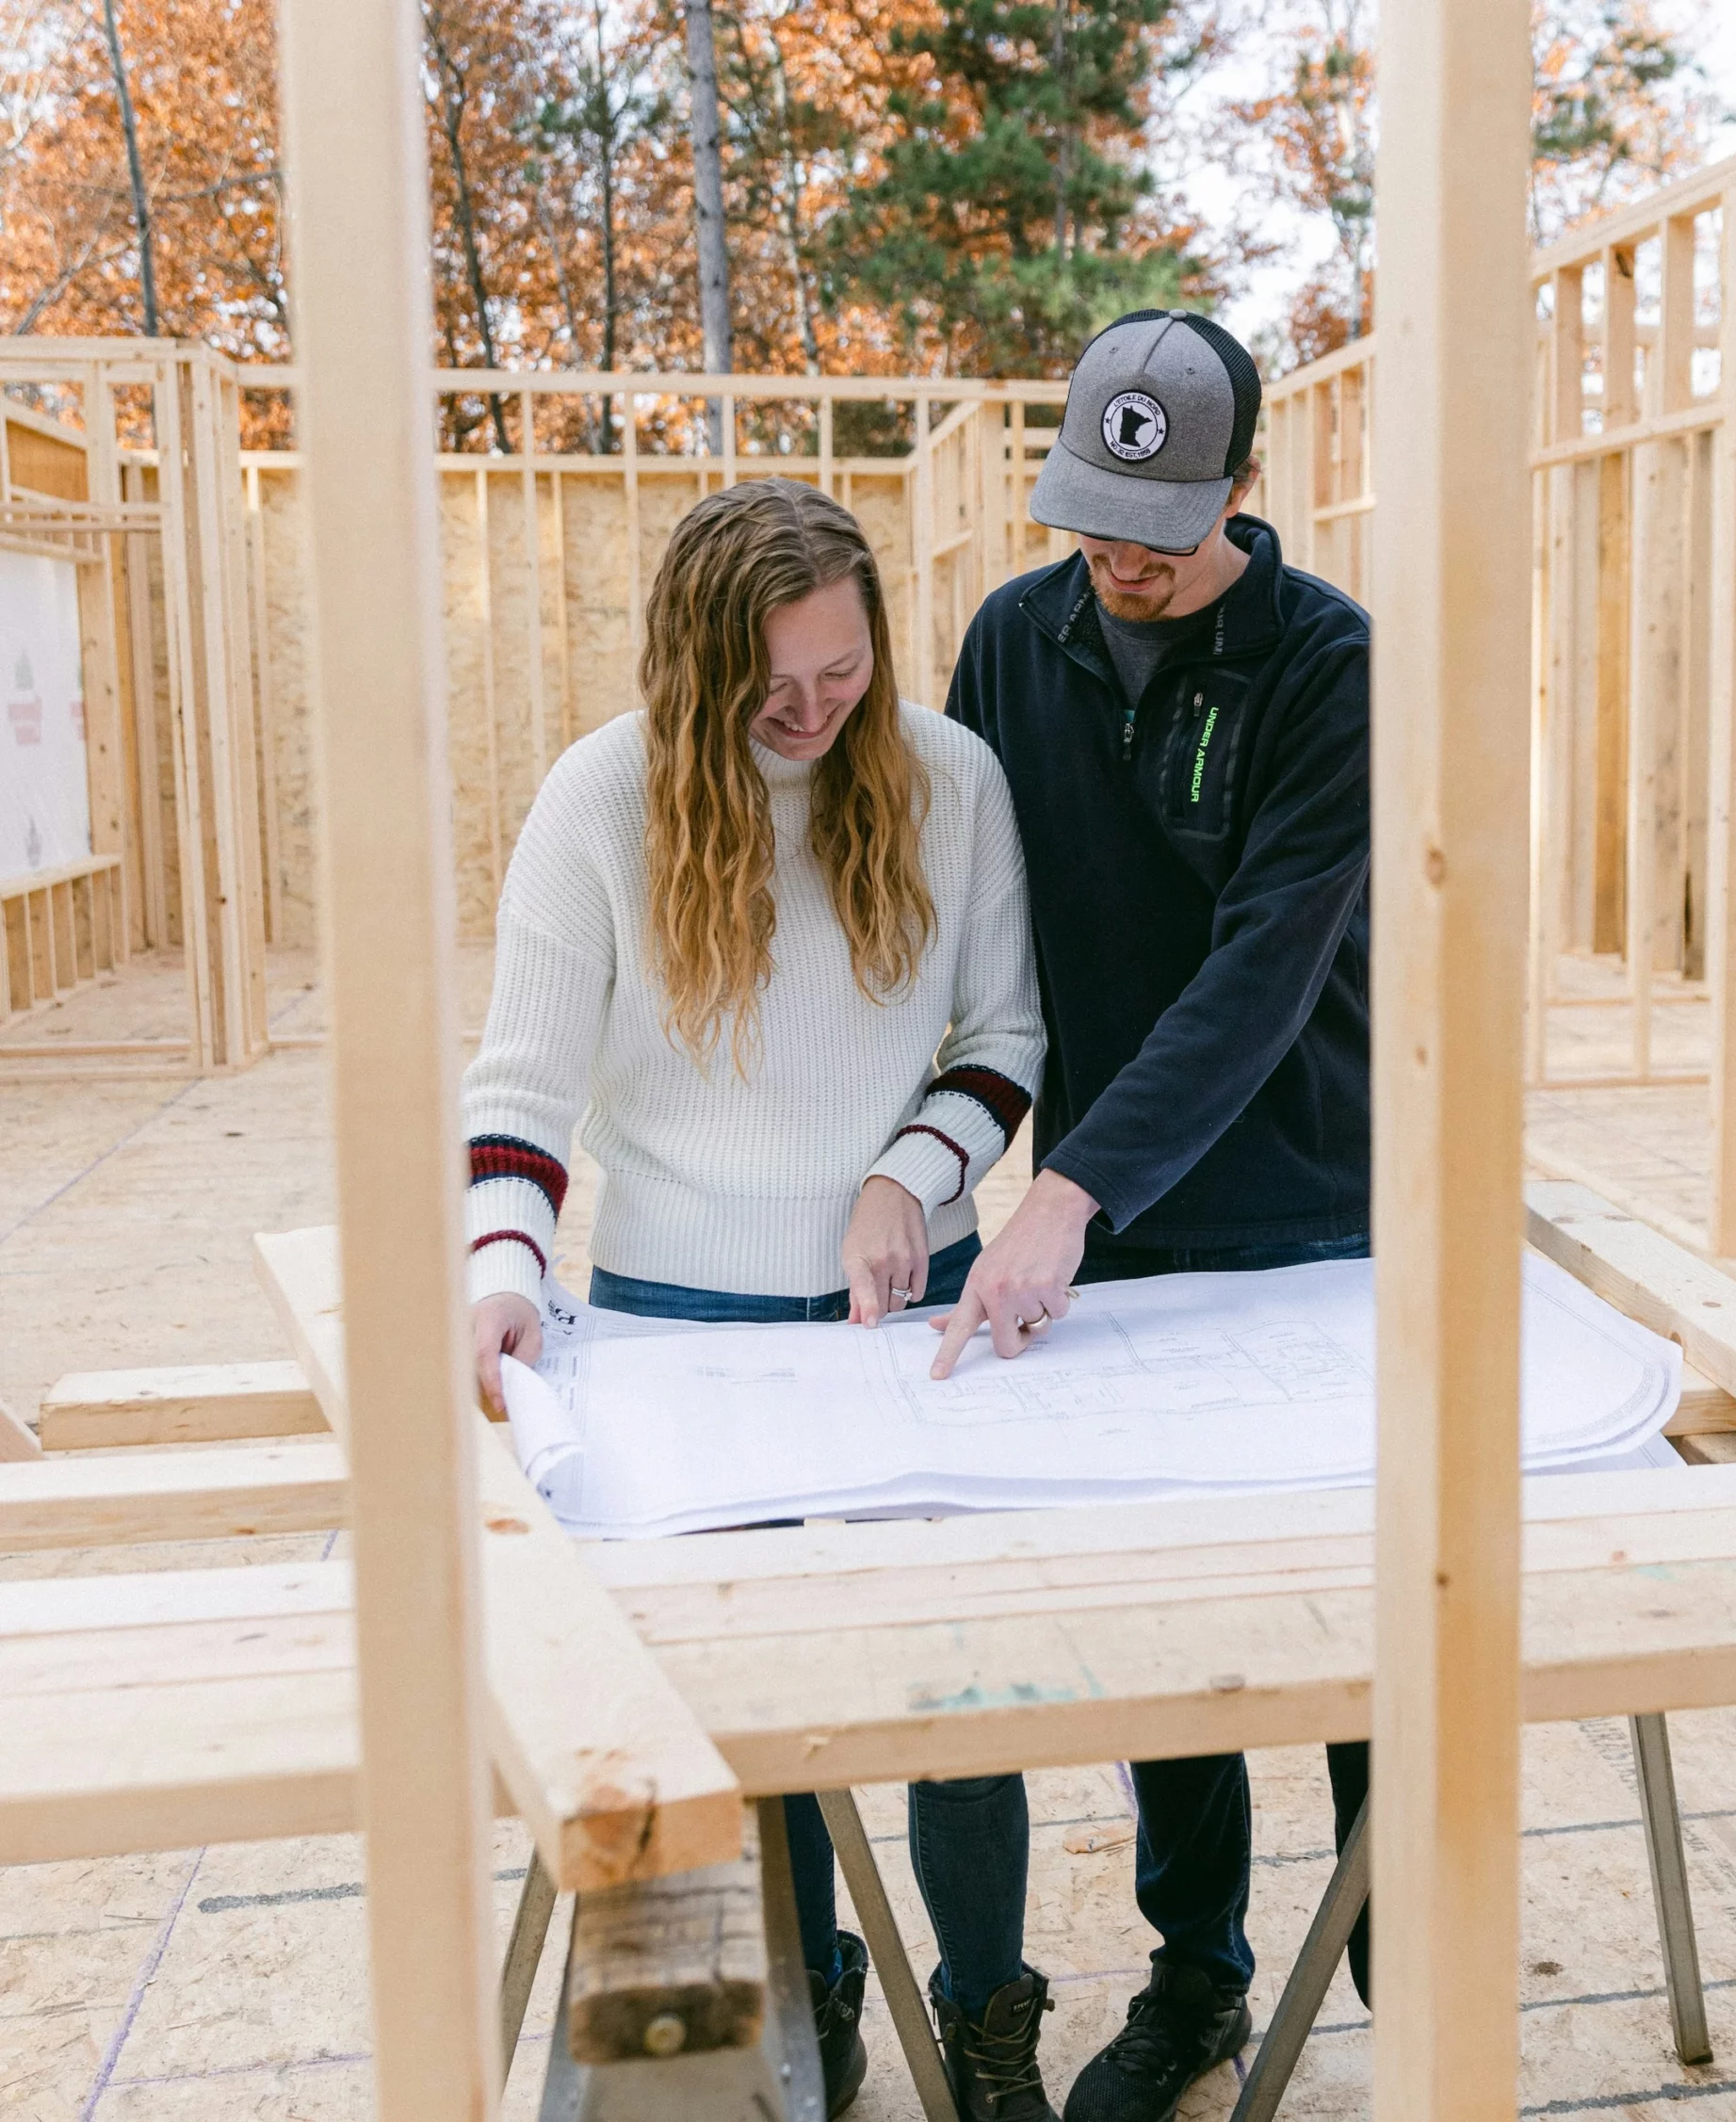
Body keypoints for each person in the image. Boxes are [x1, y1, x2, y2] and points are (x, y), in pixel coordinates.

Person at [457, 478, 1055, 2121]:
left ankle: (988, 2006)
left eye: (842, 674)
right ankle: (820, 1993)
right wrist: (505, 1272)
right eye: (769, 690)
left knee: (960, 1681)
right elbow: (518, 1085)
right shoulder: (603, 799)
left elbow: (1004, 1042)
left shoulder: (950, 780)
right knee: (755, 1705)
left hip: (898, 1313)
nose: (809, 717)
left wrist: (905, 1181)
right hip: (669, 1320)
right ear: (695, 667)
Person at [939, 310, 1373, 2122]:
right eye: (1091, 515)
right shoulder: (1013, 639)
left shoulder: (1324, 660)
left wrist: (1075, 1189)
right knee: (1164, 1611)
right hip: (1104, 1201)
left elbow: (1267, 965)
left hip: (1308, 1191)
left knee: (1369, 1618)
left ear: (1242, 493)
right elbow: (961, 923)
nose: (1116, 559)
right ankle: (1198, 1981)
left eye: (1156, 525)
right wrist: (937, 1161)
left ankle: (1407, 1975)